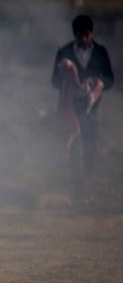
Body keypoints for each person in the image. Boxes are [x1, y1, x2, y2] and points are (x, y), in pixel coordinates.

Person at [51, 14, 114, 203]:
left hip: (91, 110)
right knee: (73, 151)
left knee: (90, 149)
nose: (83, 39)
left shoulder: (100, 52)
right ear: (75, 35)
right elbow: (54, 81)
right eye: (80, 36)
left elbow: (110, 80)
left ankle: (87, 187)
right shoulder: (64, 53)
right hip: (71, 109)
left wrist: (95, 84)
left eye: (86, 35)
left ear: (91, 34)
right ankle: (77, 192)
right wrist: (69, 82)